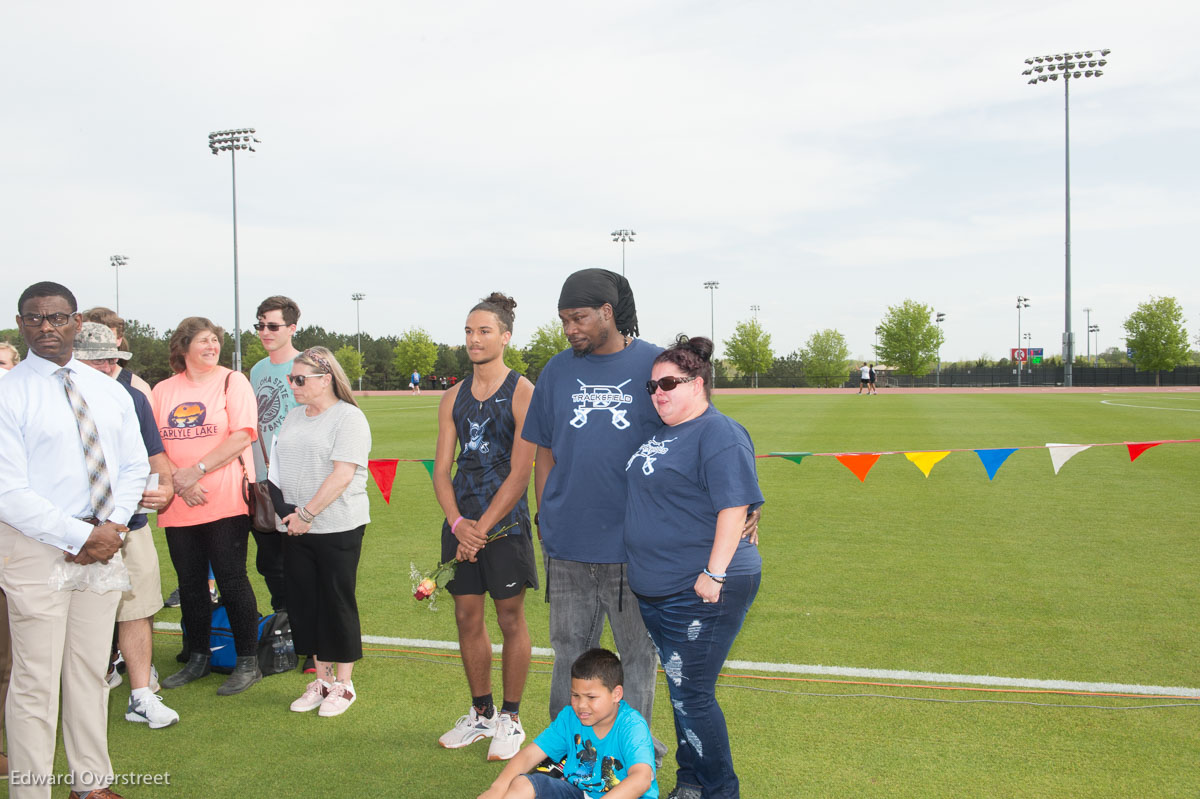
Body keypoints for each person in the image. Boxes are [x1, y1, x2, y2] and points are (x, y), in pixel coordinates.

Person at [0, 281, 150, 799]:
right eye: (36, 318)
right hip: (35, 545)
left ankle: (92, 785)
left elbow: (134, 465)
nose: (47, 327)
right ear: (20, 323)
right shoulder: (7, 391)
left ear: (75, 320)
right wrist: (78, 534)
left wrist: (109, 527)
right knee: (36, 680)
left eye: (57, 318)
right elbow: (7, 490)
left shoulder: (109, 390)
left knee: (90, 671)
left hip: (103, 543)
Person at [520, 268, 667, 761]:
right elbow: (543, 450)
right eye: (564, 320)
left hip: (634, 548)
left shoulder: (654, 365)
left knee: (638, 661)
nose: (570, 329)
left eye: (579, 318)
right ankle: (568, 758)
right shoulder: (558, 371)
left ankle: (632, 759)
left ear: (608, 313)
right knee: (570, 660)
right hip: (569, 545)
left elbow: (686, 440)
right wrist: (547, 516)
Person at [624, 336, 763, 799]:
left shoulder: (717, 431)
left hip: (701, 588)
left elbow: (734, 505)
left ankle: (720, 790)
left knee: (692, 696)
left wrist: (715, 572)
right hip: (661, 588)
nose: (658, 392)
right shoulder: (665, 433)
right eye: (652, 386)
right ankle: (691, 781)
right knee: (683, 694)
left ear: (698, 383)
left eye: (669, 383)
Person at [434, 293, 536, 761]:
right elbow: (441, 470)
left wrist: (482, 528)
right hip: (461, 525)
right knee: (465, 617)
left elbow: (520, 472)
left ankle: (511, 719)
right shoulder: (452, 396)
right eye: (469, 332)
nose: (474, 340)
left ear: (505, 336)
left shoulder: (523, 392)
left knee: (510, 618)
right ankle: (481, 713)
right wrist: (458, 524)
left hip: (504, 527)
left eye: (484, 331)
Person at [72, 323, 179, 729]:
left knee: (138, 607)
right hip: (71, 530)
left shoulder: (131, 397)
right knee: (74, 615)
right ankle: (82, 696)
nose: (107, 366)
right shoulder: (56, 397)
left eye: (113, 359)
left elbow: (155, 455)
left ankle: (141, 695)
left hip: (128, 525)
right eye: (95, 359)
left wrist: (165, 487)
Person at [150, 316, 262, 695]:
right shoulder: (163, 390)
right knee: (190, 584)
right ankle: (197, 655)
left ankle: (248, 661)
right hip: (179, 501)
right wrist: (179, 483)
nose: (211, 346)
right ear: (183, 348)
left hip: (224, 499)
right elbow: (154, 445)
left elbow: (243, 435)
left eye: (214, 340)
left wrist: (195, 471)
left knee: (231, 580)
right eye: (203, 341)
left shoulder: (233, 381)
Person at [269, 347, 371, 717]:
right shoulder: (294, 416)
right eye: (290, 379)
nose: (292, 385)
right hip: (296, 528)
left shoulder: (349, 418)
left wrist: (308, 513)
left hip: (337, 526)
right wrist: (288, 514)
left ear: (325, 379)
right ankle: (323, 679)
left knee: (336, 601)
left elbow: (342, 474)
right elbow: (276, 469)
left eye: (299, 379)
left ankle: (344, 684)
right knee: (305, 603)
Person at [478, 648, 657, 799]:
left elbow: (641, 778)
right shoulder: (570, 717)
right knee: (522, 783)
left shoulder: (632, 726)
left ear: (616, 694)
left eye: (591, 697)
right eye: (575, 695)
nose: (581, 705)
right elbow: (528, 755)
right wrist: (497, 789)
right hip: (581, 793)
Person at [249, 297, 300, 629]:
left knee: (297, 561)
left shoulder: (307, 367)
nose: (264, 332)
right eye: (260, 325)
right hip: (261, 479)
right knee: (268, 561)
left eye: (272, 325)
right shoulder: (256, 370)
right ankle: (284, 621)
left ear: (292, 328)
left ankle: (303, 628)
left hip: (296, 480)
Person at [81, 307, 152, 401]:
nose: (100, 340)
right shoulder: (68, 381)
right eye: (92, 335)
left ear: (119, 339)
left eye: (107, 335)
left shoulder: (137, 388)